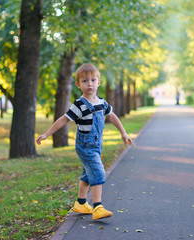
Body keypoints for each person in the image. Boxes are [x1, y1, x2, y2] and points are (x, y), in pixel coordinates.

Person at [36, 63, 133, 220]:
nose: (89, 84)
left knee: (88, 175)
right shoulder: (79, 105)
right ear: (78, 84)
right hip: (84, 145)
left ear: (99, 82)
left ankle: (80, 203)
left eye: (93, 80)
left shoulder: (101, 102)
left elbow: (112, 116)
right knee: (98, 171)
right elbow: (63, 119)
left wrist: (123, 132)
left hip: (96, 145)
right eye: (85, 81)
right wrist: (47, 134)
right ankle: (98, 207)